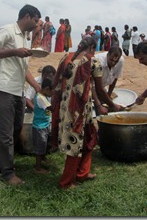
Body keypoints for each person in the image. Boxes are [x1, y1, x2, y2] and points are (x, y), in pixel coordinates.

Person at [51, 37, 123, 189]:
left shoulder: (66, 57)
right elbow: (100, 90)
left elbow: (56, 83)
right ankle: (66, 182)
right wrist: (112, 105)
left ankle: (82, 173)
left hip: (68, 106)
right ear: (91, 47)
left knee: (89, 137)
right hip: (78, 110)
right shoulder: (93, 61)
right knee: (74, 143)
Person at [0, 4, 42, 186]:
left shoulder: (24, 38)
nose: (37, 24)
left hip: (18, 90)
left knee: (15, 128)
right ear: (27, 16)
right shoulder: (8, 31)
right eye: (36, 20)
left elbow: (23, 69)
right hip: (3, 88)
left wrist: (37, 88)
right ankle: (8, 173)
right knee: (5, 132)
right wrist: (13, 51)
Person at [91, 46, 124, 115]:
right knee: (99, 111)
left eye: (115, 61)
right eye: (111, 60)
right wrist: (100, 106)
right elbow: (92, 87)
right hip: (91, 89)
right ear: (107, 55)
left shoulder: (120, 61)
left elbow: (115, 79)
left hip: (102, 88)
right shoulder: (98, 62)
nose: (113, 63)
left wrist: (108, 96)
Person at [32, 77, 53, 174]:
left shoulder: (45, 96)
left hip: (45, 124)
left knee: (46, 143)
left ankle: (43, 158)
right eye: (52, 92)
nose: (52, 94)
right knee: (40, 147)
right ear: (47, 89)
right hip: (40, 127)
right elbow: (51, 108)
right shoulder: (40, 98)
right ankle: (38, 168)